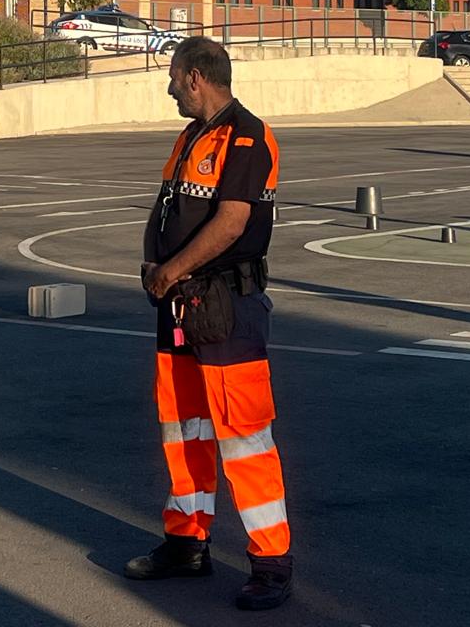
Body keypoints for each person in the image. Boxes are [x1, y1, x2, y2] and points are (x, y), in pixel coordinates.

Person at [126, 36, 294, 612]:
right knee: (184, 428)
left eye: (174, 77)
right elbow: (174, 208)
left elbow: (231, 222)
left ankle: (270, 564)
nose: (169, 87)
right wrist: (161, 272)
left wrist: (168, 269)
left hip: (226, 306)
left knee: (244, 436)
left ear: (196, 77)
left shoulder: (246, 136)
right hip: (181, 306)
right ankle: (186, 542)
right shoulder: (193, 135)